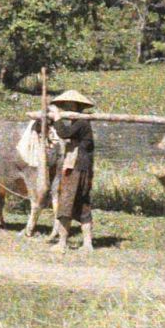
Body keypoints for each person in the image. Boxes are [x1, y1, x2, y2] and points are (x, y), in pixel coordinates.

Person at [47, 89, 97, 252]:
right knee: (82, 203)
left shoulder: (81, 122)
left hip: (76, 167)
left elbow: (63, 133)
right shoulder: (80, 123)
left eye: (68, 106)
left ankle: (62, 243)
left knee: (66, 202)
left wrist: (57, 118)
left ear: (75, 106)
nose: (65, 108)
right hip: (83, 166)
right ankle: (87, 243)